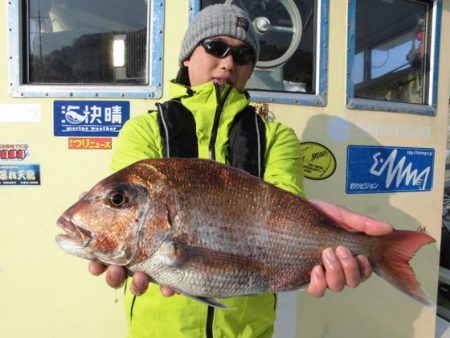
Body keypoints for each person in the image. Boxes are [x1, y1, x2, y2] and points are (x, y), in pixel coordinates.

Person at [89, 2, 393, 337]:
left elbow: (286, 210)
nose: (228, 62)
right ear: (187, 55)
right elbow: (129, 216)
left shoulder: (277, 137)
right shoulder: (144, 130)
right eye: (215, 47)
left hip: (247, 330)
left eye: (243, 54)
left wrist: (331, 241)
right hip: (159, 328)